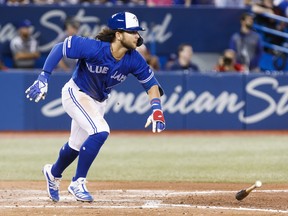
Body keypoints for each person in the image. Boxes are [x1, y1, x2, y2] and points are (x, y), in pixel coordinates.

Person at [25, 11, 166, 202]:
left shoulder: (134, 59)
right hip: (77, 93)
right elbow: (60, 48)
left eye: (137, 32)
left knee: (75, 146)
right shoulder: (93, 47)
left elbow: (152, 86)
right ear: (118, 34)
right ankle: (78, 182)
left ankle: (53, 172)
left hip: (98, 101)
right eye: (132, 31)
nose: (137, 36)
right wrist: (44, 77)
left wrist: (157, 109)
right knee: (101, 130)